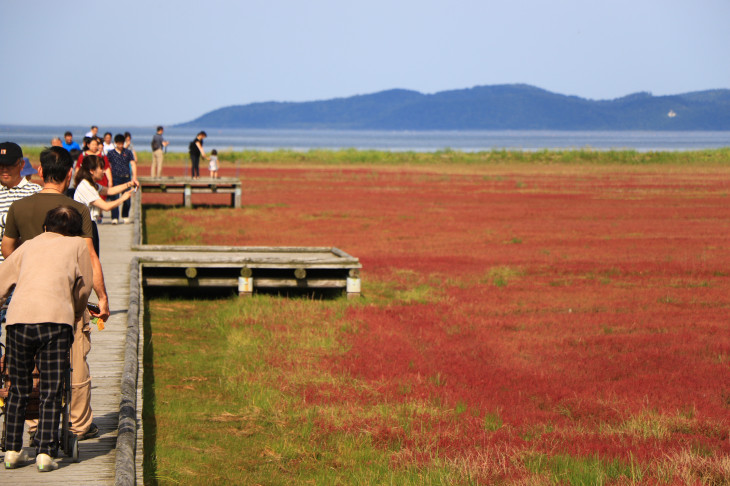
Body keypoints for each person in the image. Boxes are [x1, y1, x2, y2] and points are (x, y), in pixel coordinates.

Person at [2, 146, 110, 443]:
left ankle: (36, 425)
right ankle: (78, 425)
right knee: (75, 360)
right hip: (66, 302)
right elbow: (89, 257)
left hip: (24, 304)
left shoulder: (19, 208)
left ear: (39, 170)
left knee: (30, 370)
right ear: (70, 172)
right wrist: (101, 298)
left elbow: (7, 251)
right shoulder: (77, 209)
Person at [0, 205, 93, 472]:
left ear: (44, 227)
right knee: (52, 389)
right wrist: (74, 310)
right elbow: (84, 287)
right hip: (55, 321)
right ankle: (44, 451)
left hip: (19, 321)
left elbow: (2, 280)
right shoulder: (77, 245)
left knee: (18, 387)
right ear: (75, 231)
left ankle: (12, 450)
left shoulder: (28, 245)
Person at [74, 155, 136, 255]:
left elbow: (109, 191)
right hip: (85, 227)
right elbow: (106, 207)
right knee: (91, 260)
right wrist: (122, 198)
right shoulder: (85, 186)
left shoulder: (91, 184)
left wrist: (129, 184)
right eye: (101, 168)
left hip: (90, 225)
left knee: (94, 258)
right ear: (92, 170)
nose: (103, 171)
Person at [0, 143, 42, 263]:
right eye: (1, 165)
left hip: (25, 266)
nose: (4, 169)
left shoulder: (35, 192)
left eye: (9, 165)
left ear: (21, 164)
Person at [106, 134, 138, 224]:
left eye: (122, 144)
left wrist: (134, 176)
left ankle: (125, 216)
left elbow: (133, 164)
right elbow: (107, 166)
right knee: (114, 198)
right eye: (118, 144)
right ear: (115, 143)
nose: (120, 146)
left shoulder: (128, 152)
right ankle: (114, 218)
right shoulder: (111, 153)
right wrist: (109, 179)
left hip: (126, 178)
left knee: (127, 198)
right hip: (115, 178)